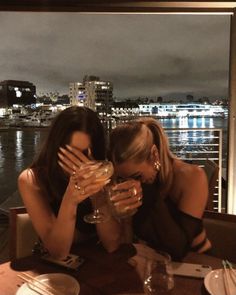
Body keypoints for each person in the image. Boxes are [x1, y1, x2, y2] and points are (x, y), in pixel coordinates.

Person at [97, 118, 212, 260]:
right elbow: (125, 241)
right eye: (123, 178)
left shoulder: (192, 177)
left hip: (195, 263)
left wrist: (148, 190)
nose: (131, 183)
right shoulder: (128, 183)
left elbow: (178, 249)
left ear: (154, 155)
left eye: (137, 176)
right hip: (151, 261)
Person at [18, 106, 108, 259]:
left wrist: (97, 193)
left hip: (98, 265)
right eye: (70, 153)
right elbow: (58, 251)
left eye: (84, 154)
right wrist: (71, 198)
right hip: (53, 271)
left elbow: (111, 243)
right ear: (56, 147)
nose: (79, 163)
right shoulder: (31, 180)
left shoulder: (103, 171)